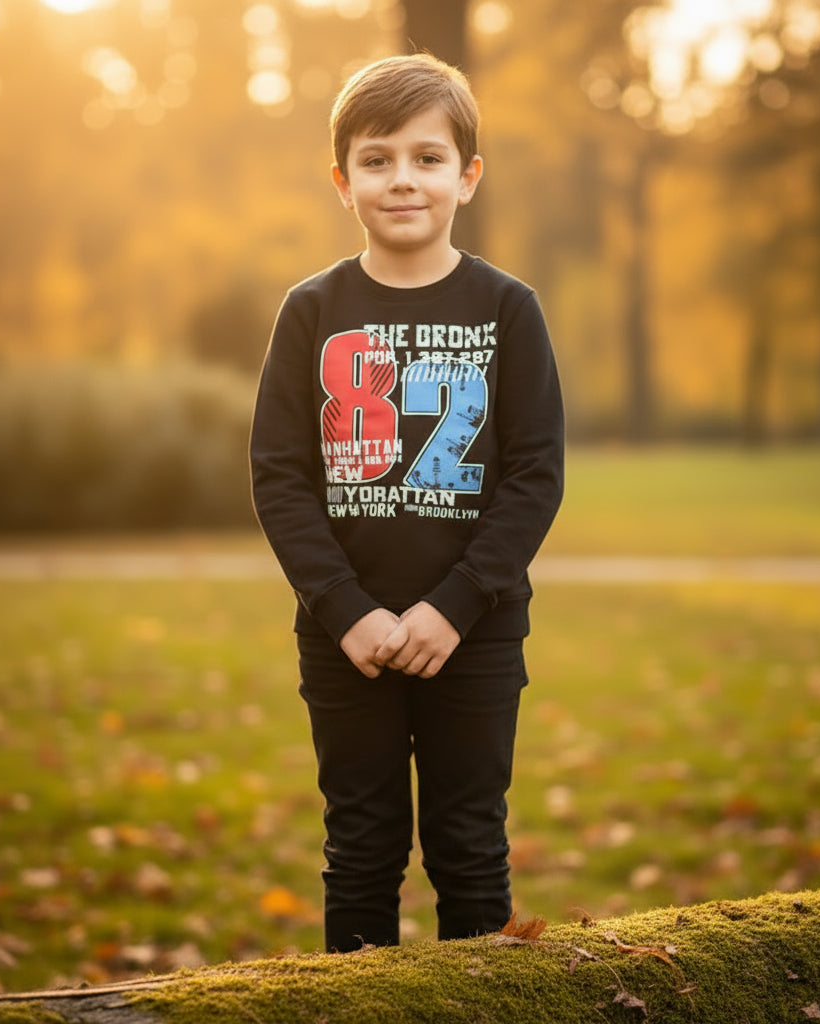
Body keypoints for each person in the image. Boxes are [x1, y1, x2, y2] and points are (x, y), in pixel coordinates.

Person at [249, 52, 564, 953]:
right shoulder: (312, 310)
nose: (403, 180)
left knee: (469, 851)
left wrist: (455, 606)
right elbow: (279, 474)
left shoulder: (508, 309)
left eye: (428, 158)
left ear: (467, 175)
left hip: (476, 636)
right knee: (360, 851)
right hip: (345, 640)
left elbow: (535, 475)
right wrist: (345, 611)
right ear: (342, 179)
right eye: (378, 159)